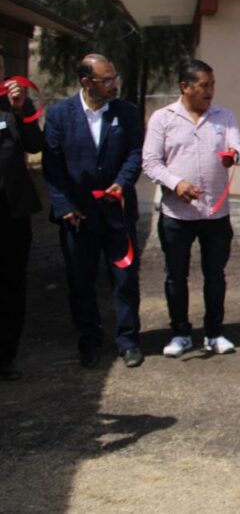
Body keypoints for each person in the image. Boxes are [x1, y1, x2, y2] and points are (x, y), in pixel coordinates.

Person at [42, 54, 144, 369]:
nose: (114, 84)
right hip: (78, 217)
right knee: (81, 282)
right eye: (107, 79)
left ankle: (128, 340)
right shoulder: (60, 114)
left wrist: (122, 183)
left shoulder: (127, 113)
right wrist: (64, 206)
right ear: (87, 82)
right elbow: (53, 165)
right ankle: (89, 341)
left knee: (124, 279)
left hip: (117, 213)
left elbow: (135, 153)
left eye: (115, 78)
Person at [143, 59, 240, 357]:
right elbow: (150, 162)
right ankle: (180, 333)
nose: (210, 91)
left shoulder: (224, 117)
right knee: (176, 276)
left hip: (215, 214)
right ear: (184, 87)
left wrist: (234, 155)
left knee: (215, 275)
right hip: (177, 215)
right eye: (204, 85)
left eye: (212, 85)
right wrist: (176, 184)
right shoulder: (163, 119)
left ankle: (214, 332)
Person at [0, 47, 44, 381]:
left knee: (12, 284)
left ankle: (6, 357)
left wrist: (21, 110)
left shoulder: (14, 104)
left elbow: (33, 144)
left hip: (13, 212)